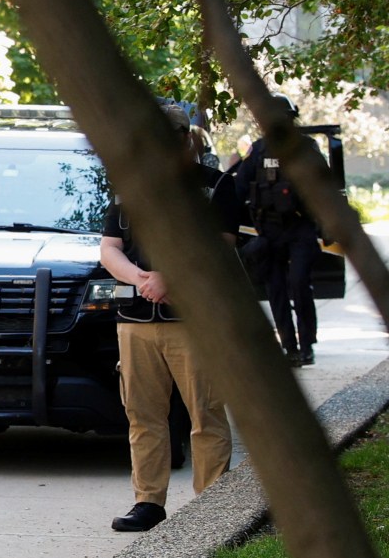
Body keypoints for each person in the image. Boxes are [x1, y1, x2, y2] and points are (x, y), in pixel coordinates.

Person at [99, 112, 238, 532]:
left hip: (192, 321)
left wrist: (169, 276)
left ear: (185, 140)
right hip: (136, 320)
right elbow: (109, 248)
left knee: (206, 414)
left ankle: (210, 508)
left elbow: (223, 247)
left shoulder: (215, 185)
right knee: (143, 417)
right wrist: (138, 277)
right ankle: (148, 502)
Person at [236, 98, 322, 367]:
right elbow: (239, 189)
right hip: (269, 230)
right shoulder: (258, 151)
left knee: (298, 284)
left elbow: (325, 186)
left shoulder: (306, 148)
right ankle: (290, 346)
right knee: (276, 290)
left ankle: (307, 343)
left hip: (300, 228)